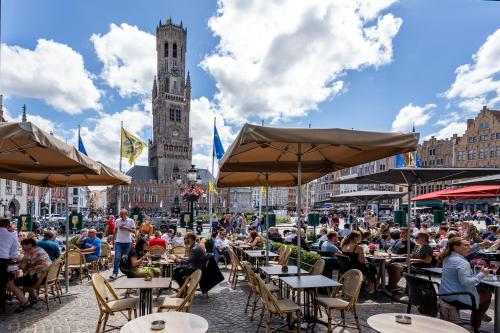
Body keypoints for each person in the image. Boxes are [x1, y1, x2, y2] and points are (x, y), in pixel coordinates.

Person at [439, 237, 492, 329]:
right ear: (455, 247)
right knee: (487, 294)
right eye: (466, 245)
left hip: (444, 295)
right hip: (456, 297)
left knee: (482, 292)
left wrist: (480, 245)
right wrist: (482, 274)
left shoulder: (447, 257)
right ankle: (475, 325)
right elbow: (466, 282)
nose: (469, 247)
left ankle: (478, 315)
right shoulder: (462, 263)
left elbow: (468, 251)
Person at [7, 238, 51, 312]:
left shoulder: (29, 253)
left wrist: (21, 261)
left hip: (38, 278)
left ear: (30, 245)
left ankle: (24, 302)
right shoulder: (40, 249)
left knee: (11, 283)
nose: (22, 248)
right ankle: (34, 297)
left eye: (23, 246)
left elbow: (22, 267)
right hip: (47, 276)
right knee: (25, 279)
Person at [110, 209, 135, 280]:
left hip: (127, 242)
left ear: (126, 214)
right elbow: (115, 230)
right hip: (119, 242)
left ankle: (126, 271)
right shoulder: (117, 220)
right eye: (120, 214)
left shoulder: (131, 221)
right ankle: (115, 273)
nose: (120, 215)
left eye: (122, 214)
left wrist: (125, 228)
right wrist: (113, 240)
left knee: (125, 258)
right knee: (117, 257)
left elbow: (134, 231)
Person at [0, 218, 18, 313]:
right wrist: (8, 259)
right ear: (8, 226)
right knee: (2, 284)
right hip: (3, 261)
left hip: (3, 259)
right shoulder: (11, 236)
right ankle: (2, 305)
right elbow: (14, 253)